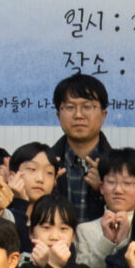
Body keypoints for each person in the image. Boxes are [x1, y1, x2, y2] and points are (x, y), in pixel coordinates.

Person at [46, 73, 111, 222]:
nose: (78, 115)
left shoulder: (121, 167)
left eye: (87, 107)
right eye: (70, 107)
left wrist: (106, 188)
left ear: (103, 115)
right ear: (58, 115)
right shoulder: (45, 164)